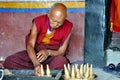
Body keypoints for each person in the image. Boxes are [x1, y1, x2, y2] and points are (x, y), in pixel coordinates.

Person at [3, 3, 73, 76]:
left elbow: (61, 51)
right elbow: (30, 45)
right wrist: (36, 63)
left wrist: (48, 52)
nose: (55, 24)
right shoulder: (38, 21)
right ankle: (40, 70)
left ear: (65, 18)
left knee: (62, 62)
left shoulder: (68, 26)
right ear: (48, 14)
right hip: (35, 56)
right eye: (53, 20)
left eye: (59, 23)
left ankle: (40, 71)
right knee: (10, 61)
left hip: (52, 58)